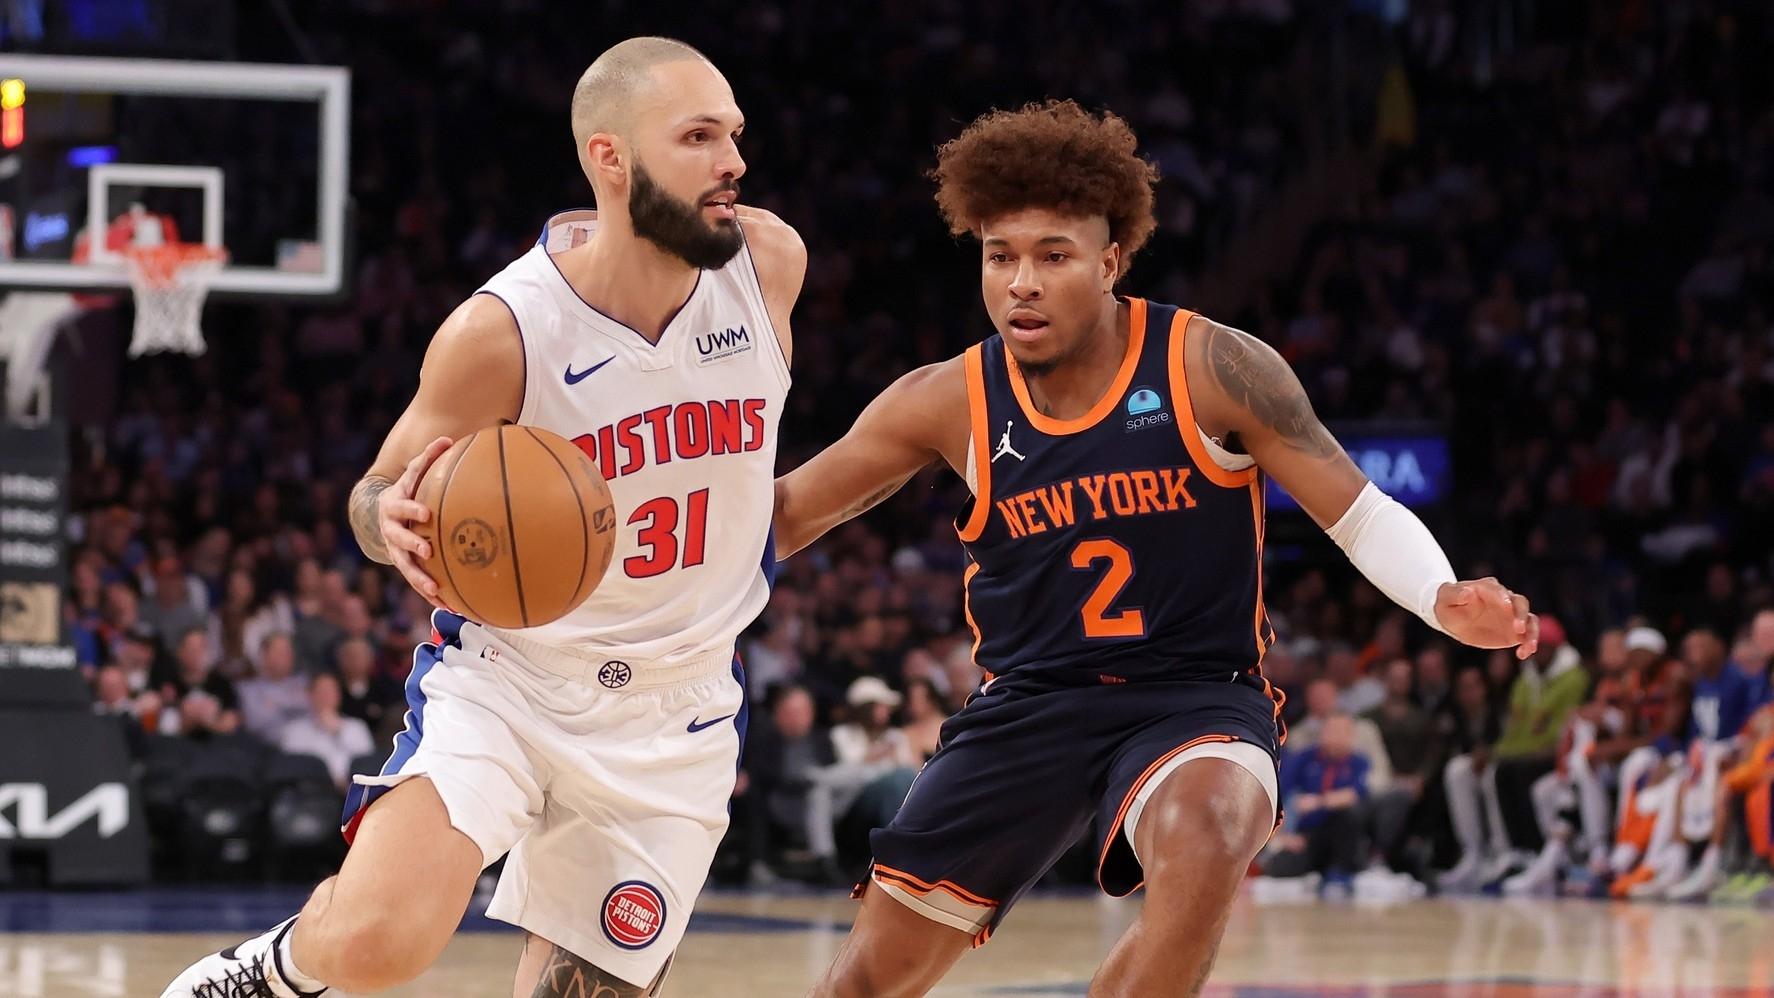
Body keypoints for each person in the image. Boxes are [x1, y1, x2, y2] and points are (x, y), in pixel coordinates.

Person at [771, 100, 1538, 997]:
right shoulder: (945, 398)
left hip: (1195, 698)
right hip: (1028, 704)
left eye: (1052, 256)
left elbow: (1358, 510)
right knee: (863, 983)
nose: (1021, 281)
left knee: (1209, 833)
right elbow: (783, 518)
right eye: (999, 256)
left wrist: (1440, 596)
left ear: (1109, 261)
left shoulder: (1212, 366)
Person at [164, 35, 805, 998]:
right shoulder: (502, 329)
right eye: (700, 137)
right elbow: (375, 496)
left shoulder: (768, 265)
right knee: (380, 943)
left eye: (735, 136)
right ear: (610, 158)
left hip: (678, 704)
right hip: (512, 676)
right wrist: (398, 527)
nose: (734, 163)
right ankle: (273, 971)